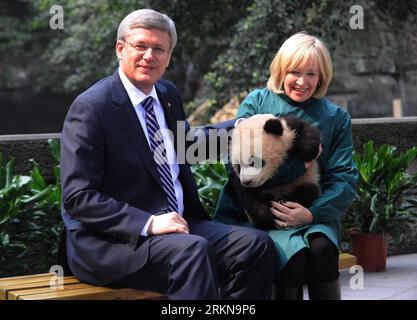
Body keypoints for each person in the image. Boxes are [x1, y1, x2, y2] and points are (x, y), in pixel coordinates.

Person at [58, 9, 277, 300]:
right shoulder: (92, 108)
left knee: (256, 245)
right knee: (192, 252)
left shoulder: (167, 94)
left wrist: (242, 127)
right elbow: (78, 197)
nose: (149, 56)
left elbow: (186, 147)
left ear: (169, 56)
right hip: (113, 242)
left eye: (159, 49)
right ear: (120, 49)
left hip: (179, 226)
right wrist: (149, 223)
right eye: (140, 46)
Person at [215, 32, 358, 300]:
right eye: (294, 71)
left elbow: (345, 179)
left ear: (322, 76)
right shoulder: (257, 102)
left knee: (321, 250)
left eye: (312, 74)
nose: (302, 82)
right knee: (291, 258)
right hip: (257, 210)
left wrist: (312, 213)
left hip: (311, 208)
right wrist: (299, 165)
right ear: (281, 69)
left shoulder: (336, 117)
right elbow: (236, 165)